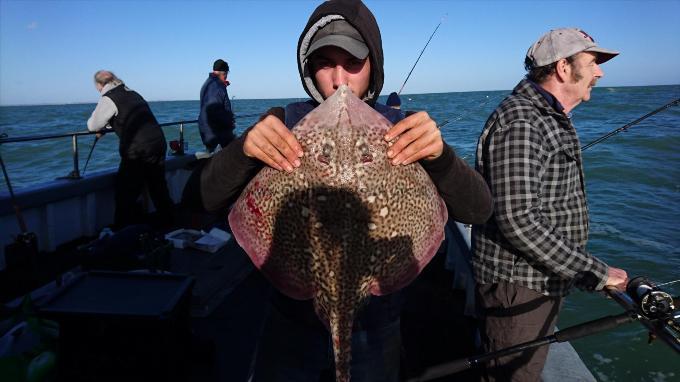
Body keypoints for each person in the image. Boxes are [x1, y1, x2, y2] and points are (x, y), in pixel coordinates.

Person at [192, 0, 492, 380]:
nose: (339, 80)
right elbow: (201, 199)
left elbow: (479, 210)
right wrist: (244, 149)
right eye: (324, 64)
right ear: (307, 69)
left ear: (374, 65)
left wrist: (441, 157)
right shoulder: (282, 126)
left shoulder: (404, 129)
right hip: (290, 324)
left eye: (352, 63)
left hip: (376, 326)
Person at [472, 28, 629, 381]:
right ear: (562, 68)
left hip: (538, 280)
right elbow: (518, 220)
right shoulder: (523, 121)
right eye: (593, 62)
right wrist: (595, 272)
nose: (600, 72)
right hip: (519, 287)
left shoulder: (544, 116)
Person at [87, 70, 173, 230]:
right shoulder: (132, 93)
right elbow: (126, 115)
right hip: (157, 142)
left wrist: (103, 126)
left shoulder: (108, 98)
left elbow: (93, 125)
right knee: (158, 187)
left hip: (138, 149)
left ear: (100, 85)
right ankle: (171, 225)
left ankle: (122, 232)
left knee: (125, 194)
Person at [198, 59, 236, 152]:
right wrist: (230, 121)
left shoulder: (208, 83)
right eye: (226, 73)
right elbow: (215, 112)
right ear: (224, 73)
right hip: (216, 137)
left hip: (209, 134)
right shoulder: (216, 87)